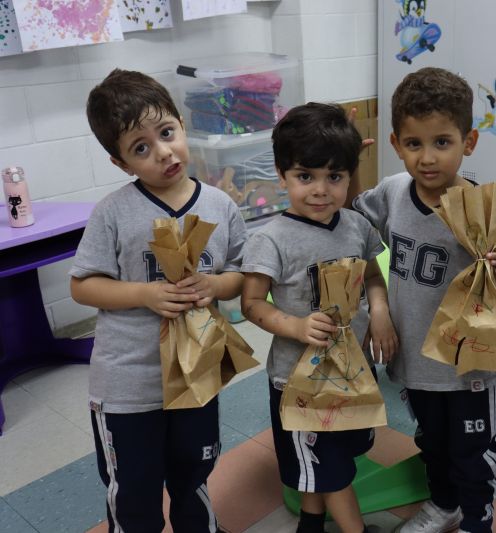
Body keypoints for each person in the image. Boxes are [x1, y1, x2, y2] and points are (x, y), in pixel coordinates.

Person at [71, 69, 247, 532]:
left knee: (194, 475)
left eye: (166, 133)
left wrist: (216, 286)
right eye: (141, 148)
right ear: (121, 163)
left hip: (196, 375)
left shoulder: (220, 205)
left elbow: (242, 274)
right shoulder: (113, 212)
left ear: (182, 125)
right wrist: (144, 293)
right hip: (128, 385)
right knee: (135, 492)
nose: (163, 152)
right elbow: (82, 285)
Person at [349, 67, 496, 533]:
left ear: (469, 142)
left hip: (471, 367)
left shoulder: (481, 204)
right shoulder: (391, 192)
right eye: (414, 143)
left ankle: (477, 518)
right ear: (395, 143)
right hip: (414, 356)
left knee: (471, 452)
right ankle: (444, 503)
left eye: (442, 142)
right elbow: (354, 223)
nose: (427, 158)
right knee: (432, 441)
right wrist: (350, 163)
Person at [240, 102, 394, 533]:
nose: (321, 190)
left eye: (335, 177)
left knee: (329, 460)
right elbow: (251, 303)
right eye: (305, 176)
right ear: (282, 174)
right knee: (330, 470)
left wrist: (380, 311)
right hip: (299, 381)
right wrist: (295, 326)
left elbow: (372, 275)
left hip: (352, 368)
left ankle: (310, 522)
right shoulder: (270, 239)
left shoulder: (357, 225)